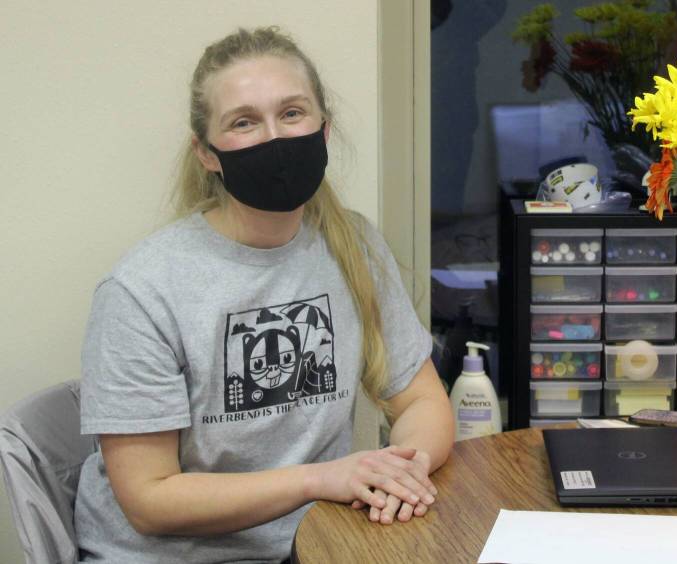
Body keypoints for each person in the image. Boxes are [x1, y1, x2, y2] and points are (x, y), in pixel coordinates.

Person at [74, 26, 455, 562]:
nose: (274, 139)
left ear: (324, 130)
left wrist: (403, 471)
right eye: (244, 122)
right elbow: (149, 497)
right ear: (207, 153)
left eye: (292, 113)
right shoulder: (141, 290)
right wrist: (320, 479)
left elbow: (420, 399)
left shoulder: (355, 245)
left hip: (316, 544)